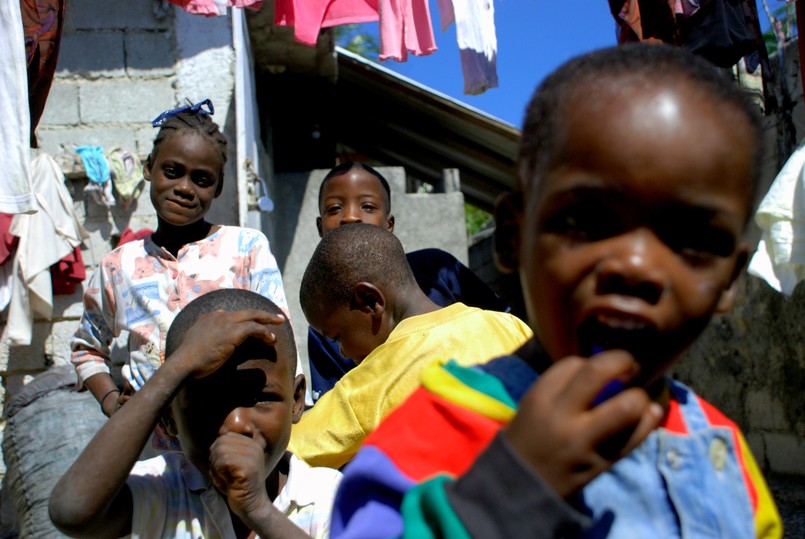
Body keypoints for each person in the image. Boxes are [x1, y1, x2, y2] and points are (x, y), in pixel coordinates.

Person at [328, 44, 783, 538]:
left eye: (692, 241)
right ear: (512, 237)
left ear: (730, 280)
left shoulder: (722, 452)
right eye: (588, 221)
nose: (638, 267)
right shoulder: (422, 439)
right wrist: (505, 494)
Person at [49, 289, 342, 539]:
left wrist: (257, 510)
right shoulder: (161, 490)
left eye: (259, 398)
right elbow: (72, 511)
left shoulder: (332, 498)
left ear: (296, 400)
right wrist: (178, 367)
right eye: (207, 404)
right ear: (168, 418)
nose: (235, 424)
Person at [70, 99, 293, 427]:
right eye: (172, 172)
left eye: (202, 179)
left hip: (228, 438)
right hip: (150, 450)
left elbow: (279, 339)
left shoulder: (247, 249)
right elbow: (86, 349)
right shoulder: (119, 266)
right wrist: (111, 401)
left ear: (217, 188)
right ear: (149, 168)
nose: (185, 188)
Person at [288, 223, 532, 469]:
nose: (343, 352)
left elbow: (288, 449)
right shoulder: (508, 325)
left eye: (338, 337)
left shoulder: (378, 377)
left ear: (370, 302)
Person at [308, 161, 511, 401]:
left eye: (368, 206)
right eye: (334, 209)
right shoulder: (326, 322)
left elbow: (502, 326)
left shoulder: (437, 269)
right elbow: (336, 411)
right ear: (320, 227)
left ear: (389, 224)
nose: (351, 216)